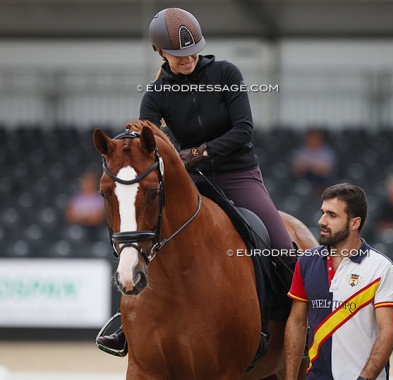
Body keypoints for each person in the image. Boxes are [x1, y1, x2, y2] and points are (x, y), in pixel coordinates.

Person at [96, 7, 296, 354]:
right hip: (189, 181)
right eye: (178, 53)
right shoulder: (155, 95)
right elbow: (149, 141)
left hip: (238, 174)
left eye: (192, 50)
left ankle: (296, 318)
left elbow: (243, 130)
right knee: (145, 235)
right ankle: (126, 325)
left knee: (281, 246)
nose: (187, 57)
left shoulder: (225, 73)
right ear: (160, 52)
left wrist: (193, 154)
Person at [284, 183, 393, 380]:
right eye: (323, 213)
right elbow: (297, 322)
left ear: (354, 223)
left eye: (332, 215)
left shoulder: (382, 268)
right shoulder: (306, 262)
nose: (321, 221)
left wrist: (365, 378)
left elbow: (389, 331)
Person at [291, 129, 337, 196]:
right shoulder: (302, 150)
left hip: (321, 180)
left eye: (314, 138)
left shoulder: (327, 151)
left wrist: (308, 166)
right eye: (310, 138)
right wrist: (312, 166)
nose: (311, 140)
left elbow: (325, 170)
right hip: (305, 178)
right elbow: (296, 168)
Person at [64, 170, 105, 240]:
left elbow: (98, 218)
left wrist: (80, 215)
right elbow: (69, 216)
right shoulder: (76, 198)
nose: (87, 185)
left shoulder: (99, 198)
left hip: (94, 231)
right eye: (85, 182)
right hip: (76, 229)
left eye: (89, 183)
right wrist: (89, 216)